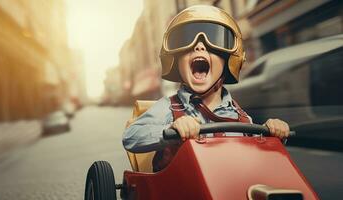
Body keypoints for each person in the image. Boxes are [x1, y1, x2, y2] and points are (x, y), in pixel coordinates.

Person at [123, 5, 290, 172]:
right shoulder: (168, 107)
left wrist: (272, 134)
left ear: (227, 62)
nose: (199, 47)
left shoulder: (241, 117)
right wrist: (170, 129)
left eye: (213, 42)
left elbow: (256, 158)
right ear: (176, 63)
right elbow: (130, 137)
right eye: (186, 40)